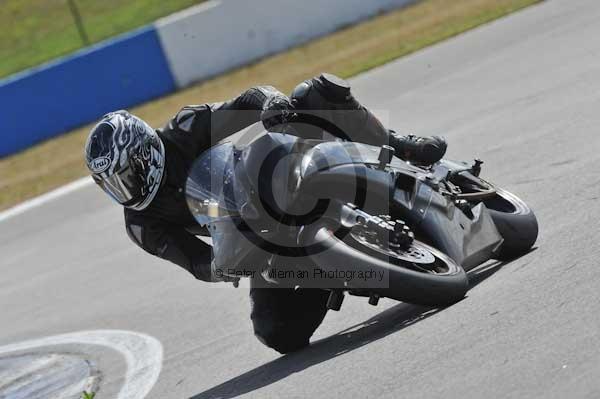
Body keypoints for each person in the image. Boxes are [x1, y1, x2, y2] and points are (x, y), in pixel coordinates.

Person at [84, 73, 447, 353]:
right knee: (278, 333)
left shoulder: (184, 130)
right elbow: (196, 262)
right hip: (253, 237)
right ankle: (337, 269)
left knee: (313, 92)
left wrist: (271, 102)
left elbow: (247, 99)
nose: (123, 190)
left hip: (269, 175)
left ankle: (400, 145)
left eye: (125, 175)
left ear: (145, 153)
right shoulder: (141, 224)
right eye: (111, 184)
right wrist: (224, 266)